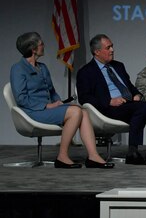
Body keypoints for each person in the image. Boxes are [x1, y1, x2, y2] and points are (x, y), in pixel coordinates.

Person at [10, 32, 113, 169]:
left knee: (83, 111)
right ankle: (62, 157)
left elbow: (52, 92)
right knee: (75, 112)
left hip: (47, 109)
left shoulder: (43, 67)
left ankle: (93, 156)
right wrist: (48, 106)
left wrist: (60, 104)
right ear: (33, 49)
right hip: (32, 111)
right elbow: (21, 99)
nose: (43, 46)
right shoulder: (18, 69)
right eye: (41, 44)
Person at [76, 34, 146, 165]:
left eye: (112, 46)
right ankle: (132, 152)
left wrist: (136, 94)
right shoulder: (86, 71)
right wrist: (109, 101)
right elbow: (84, 97)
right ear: (97, 52)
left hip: (129, 104)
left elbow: (130, 87)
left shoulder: (118, 66)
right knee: (142, 108)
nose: (112, 50)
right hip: (109, 108)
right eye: (108, 47)